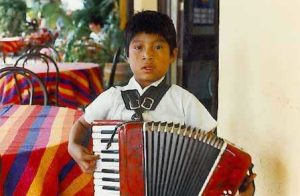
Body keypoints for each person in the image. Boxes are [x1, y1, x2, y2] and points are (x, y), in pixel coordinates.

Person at [68, 10, 255, 195]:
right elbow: (83, 124)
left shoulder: (184, 101)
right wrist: (74, 145)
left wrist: (234, 179)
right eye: (138, 47)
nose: (147, 55)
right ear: (126, 54)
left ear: (173, 55)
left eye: (157, 47)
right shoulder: (112, 97)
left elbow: (211, 151)